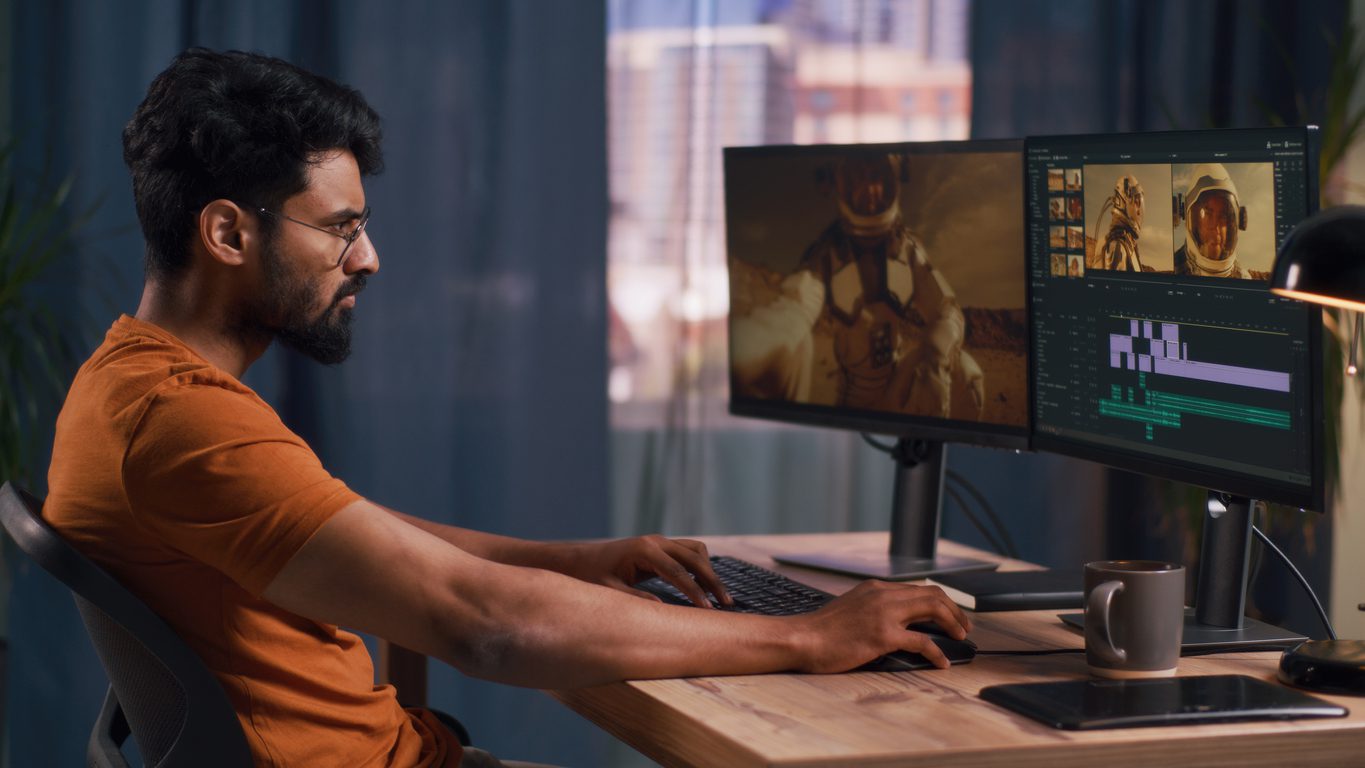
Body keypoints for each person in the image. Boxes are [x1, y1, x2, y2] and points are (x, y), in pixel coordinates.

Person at [43, 49, 971, 768]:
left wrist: (576, 561)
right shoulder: (178, 421)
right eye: (339, 227)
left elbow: (353, 532)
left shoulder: (129, 385)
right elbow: (484, 624)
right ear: (228, 232)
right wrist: (810, 634)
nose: (367, 259)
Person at [731, 153, 984, 419]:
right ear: (840, 186)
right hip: (851, 403)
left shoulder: (908, 250)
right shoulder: (828, 254)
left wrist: (937, 352)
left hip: (896, 389)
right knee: (793, 345)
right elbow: (794, 308)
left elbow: (947, 311)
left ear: (893, 181)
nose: (870, 190)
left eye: (877, 178)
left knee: (966, 373)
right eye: (857, 179)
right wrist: (753, 341)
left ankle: (930, 449)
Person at [1174, 163, 1253, 279]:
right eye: (1207, 214)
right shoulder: (1174, 270)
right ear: (1194, 220)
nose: (1215, 226)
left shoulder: (1243, 279)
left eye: (1223, 216)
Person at [1095, 174, 1145, 271]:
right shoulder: (1115, 246)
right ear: (1126, 201)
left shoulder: (1128, 244)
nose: (1139, 211)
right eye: (1137, 202)